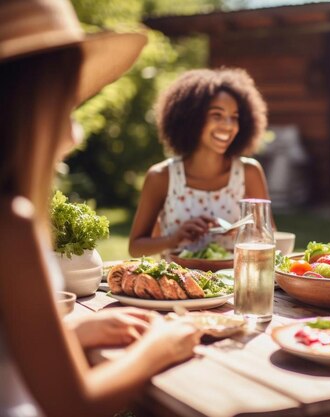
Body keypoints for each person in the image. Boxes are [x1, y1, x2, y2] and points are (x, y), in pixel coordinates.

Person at [0, 1, 203, 416]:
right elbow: (75, 404)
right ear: (27, 107)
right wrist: (159, 349)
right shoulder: (11, 226)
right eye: (67, 105)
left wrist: (70, 331)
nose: (74, 135)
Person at [128, 68, 270, 257]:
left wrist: (240, 232)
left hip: (231, 283)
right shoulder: (161, 177)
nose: (228, 125)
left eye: (234, 117)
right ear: (192, 118)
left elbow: (269, 237)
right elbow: (135, 248)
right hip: (177, 283)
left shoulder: (249, 172)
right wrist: (174, 239)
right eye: (217, 115)